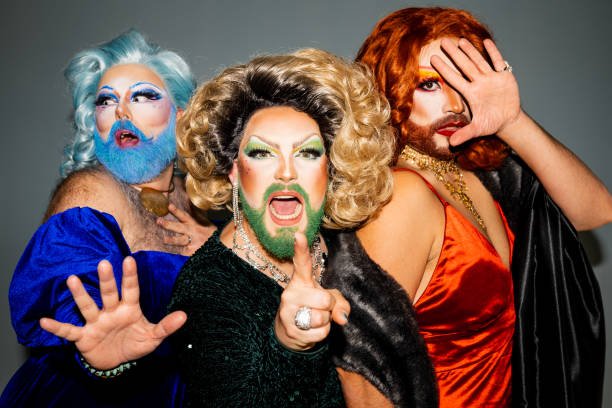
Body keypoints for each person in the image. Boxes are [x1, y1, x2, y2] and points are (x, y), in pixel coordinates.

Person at [323, 7, 612, 408]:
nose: (454, 103)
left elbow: (597, 211)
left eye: (464, 82)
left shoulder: (487, 177)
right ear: (386, 91)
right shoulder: (403, 195)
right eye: (429, 84)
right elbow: (360, 370)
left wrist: (512, 121)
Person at [1, 30, 215, 407]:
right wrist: (102, 362)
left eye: (142, 96)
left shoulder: (197, 199)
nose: (121, 112)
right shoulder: (89, 192)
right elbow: (63, 314)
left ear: (180, 117)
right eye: (106, 100)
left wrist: (219, 255)